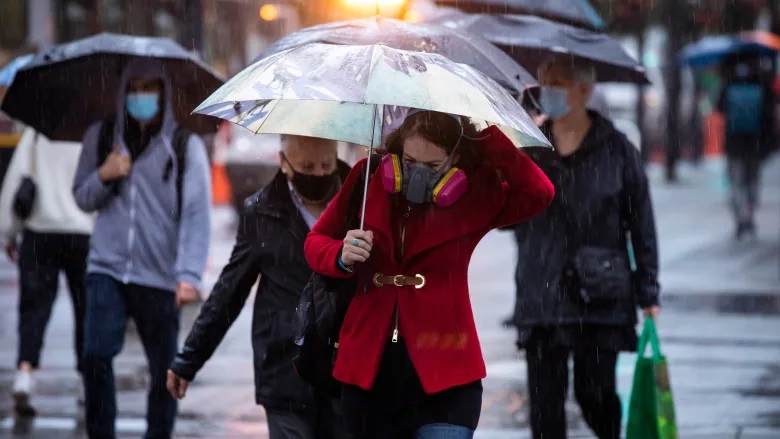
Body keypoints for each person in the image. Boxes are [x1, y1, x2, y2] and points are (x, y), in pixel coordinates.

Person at [304, 109, 555, 438]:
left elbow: (539, 193)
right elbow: (315, 241)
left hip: (447, 376)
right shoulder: (369, 179)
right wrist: (340, 254)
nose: (416, 175)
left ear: (455, 160)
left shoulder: (475, 193)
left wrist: (486, 137)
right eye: (408, 162)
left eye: (432, 166)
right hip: (368, 375)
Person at [510, 58, 660, 439]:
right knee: (544, 410)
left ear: (584, 90)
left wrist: (647, 288)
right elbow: (507, 218)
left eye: (557, 82)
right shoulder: (530, 147)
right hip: (541, 291)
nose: (548, 90)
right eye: (543, 82)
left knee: (595, 395)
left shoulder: (618, 150)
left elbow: (640, 222)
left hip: (599, 293)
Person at [167, 135, 352, 439]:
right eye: (307, 165)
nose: (318, 174)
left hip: (344, 371)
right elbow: (229, 292)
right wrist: (189, 360)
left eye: (325, 164)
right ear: (284, 163)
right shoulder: (263, 212)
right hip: (284, 370)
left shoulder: (361, 204)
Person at [72, 58, 211, 439]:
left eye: (149, 88)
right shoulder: (101, 138)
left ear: (164, 94)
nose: (141, 96)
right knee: (95, 355)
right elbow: (82, 198)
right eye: (134, 88)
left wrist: (188, 274)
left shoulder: (184, 146)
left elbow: (197, 214)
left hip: (160, 274)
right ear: (123, 92)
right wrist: (105, 173)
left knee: (165, 370)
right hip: (107, 267)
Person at [0, 127, 94, 416]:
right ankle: (85, 381)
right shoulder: (93, 131)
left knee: (34, 306)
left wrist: (8, 233)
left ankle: (25, 375)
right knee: (86, 309)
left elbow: (16, 178)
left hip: (40, 231)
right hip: (84, 232)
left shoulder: (38, 131)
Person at [716, 55, 776, 240]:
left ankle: (740, 217)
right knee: (752, 181)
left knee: (736, 182)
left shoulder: (729, 84)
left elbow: (719, 108)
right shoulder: (761, 83)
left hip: (734, 143)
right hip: (754, 143)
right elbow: (769, 115)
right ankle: (749, 214)